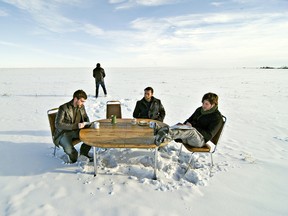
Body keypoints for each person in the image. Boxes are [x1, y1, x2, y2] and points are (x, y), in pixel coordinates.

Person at [155, 92, 223, 147]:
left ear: (213, 104)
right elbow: (190, 119)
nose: (203, 105)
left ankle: (165, 135)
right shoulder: (200, 110)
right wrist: (184, 125)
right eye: (203, 103)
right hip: (189, 135)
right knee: (180, 126)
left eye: (206, 104)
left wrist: (193, 127)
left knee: (191, 131)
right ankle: (161, 131)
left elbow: (209, 135)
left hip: (200, 141)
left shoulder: (217, 118)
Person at [54, 90, 92, 163]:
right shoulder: (63, 108)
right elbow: (58, 124)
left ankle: (83, 154)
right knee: (70, 150)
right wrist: (75, 125)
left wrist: (87, 123)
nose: (83, 103)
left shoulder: (81, 106)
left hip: (77, 130)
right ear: (75, 99)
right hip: (63, 133)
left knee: (90, 137)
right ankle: (73, 160)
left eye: (84, 101)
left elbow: (85, 117)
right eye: (81, 101)